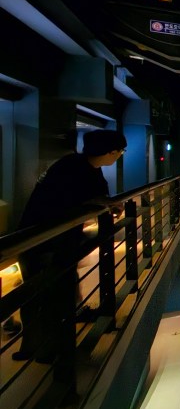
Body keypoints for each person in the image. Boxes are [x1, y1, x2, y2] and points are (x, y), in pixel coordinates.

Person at [12, 130, 126, 389]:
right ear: (110, 151)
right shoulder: (74, 169)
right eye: (120, 151)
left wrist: (104, 204)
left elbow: (92, 198)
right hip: (42, 243)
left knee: (46, 294)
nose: (119, 156)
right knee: (46, 295)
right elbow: (67, 203)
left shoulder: (79, 167)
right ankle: (46, 354)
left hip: (51, 242)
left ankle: (39, 348)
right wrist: (100, 204)